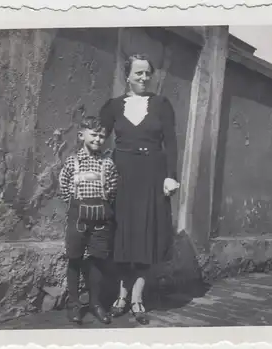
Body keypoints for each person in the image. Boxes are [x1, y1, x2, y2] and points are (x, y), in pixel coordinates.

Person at [99, 54, 180, 325]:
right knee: (122, 235)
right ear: (127, 76)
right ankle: (120, 298)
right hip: (121, 174)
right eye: (138, 74)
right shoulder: (113, 106)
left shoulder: (161, 104)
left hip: (152, 176)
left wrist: (171, 176)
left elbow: (170, 142)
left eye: (147, 73)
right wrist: (94, 170)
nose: (144, 78)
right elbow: (97, 137)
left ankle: (137, 299)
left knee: (147, 236)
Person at [58, 115, 119, 325]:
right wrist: (75, 205)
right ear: (81, 135)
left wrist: (101, 206)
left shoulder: (107, 163)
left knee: (97, 260)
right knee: (74, 259)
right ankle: (74, 304)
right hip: (78, 216)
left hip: (101, 218)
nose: (98, 139)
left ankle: (95, 303)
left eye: (102, 136)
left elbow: (112, 190)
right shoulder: (72, 162)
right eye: (93, 135)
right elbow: (64, 186)